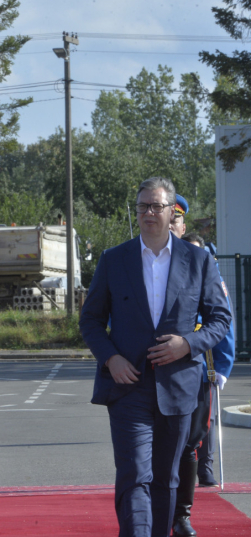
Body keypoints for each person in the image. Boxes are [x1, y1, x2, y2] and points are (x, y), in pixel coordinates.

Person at [79, 177, 231, 537]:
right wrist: (110, 359)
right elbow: (91, 319)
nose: (149, 213)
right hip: (128, 386)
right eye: (142, 206)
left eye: (156, 206)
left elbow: (220, 319)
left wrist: (188, 344)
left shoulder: (198, 260)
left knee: (165, 478)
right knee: (134, 475)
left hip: (178, 388)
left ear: (171, 211)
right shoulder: (114, 259)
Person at [169, 200, 235, 537]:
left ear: (182, 223)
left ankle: (181, 515)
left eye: (176, 218)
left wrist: (221, 366)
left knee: (190, 443)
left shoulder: (203, 265)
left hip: (195, 367)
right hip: (151, 371)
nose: (169, 224)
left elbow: (222, 320)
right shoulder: (137, 263)